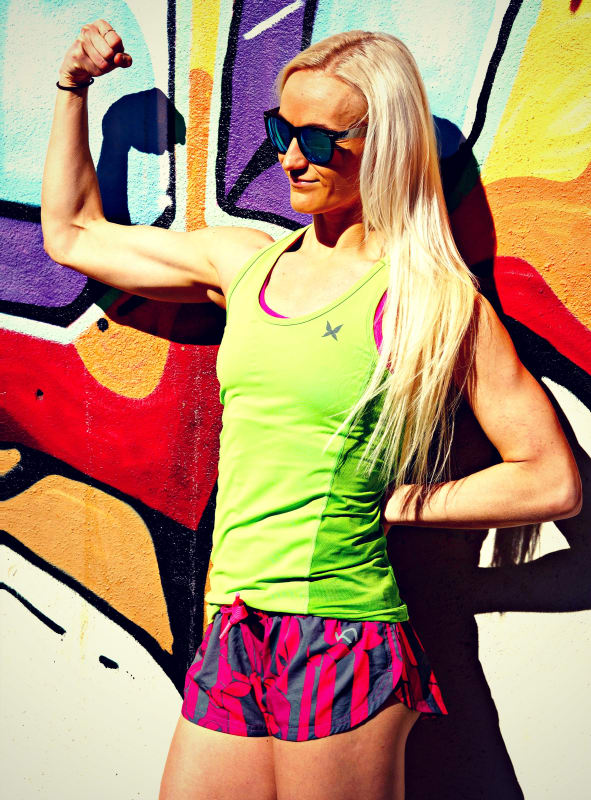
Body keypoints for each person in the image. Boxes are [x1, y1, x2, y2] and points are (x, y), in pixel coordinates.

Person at [42, 20, 582, 800]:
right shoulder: (244, 263)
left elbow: (549, 479)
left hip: (342, 630)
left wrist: (402, 503)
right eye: (281, 131)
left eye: (320, 141)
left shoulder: (429, 300)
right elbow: (72, 235)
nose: (291, 158)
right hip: (233, 621)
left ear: (385, 146)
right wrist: (74, 89)